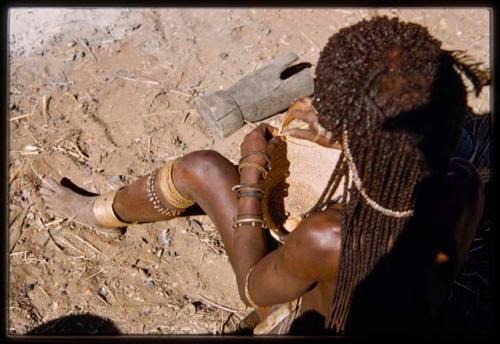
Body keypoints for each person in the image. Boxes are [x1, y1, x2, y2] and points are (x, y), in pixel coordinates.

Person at [40, 16, 488, 335]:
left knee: (202, 168)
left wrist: (253, 169)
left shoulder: (329, 236)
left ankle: (101, 213)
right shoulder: (464, 183)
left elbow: (252, 287)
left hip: (311, 315)